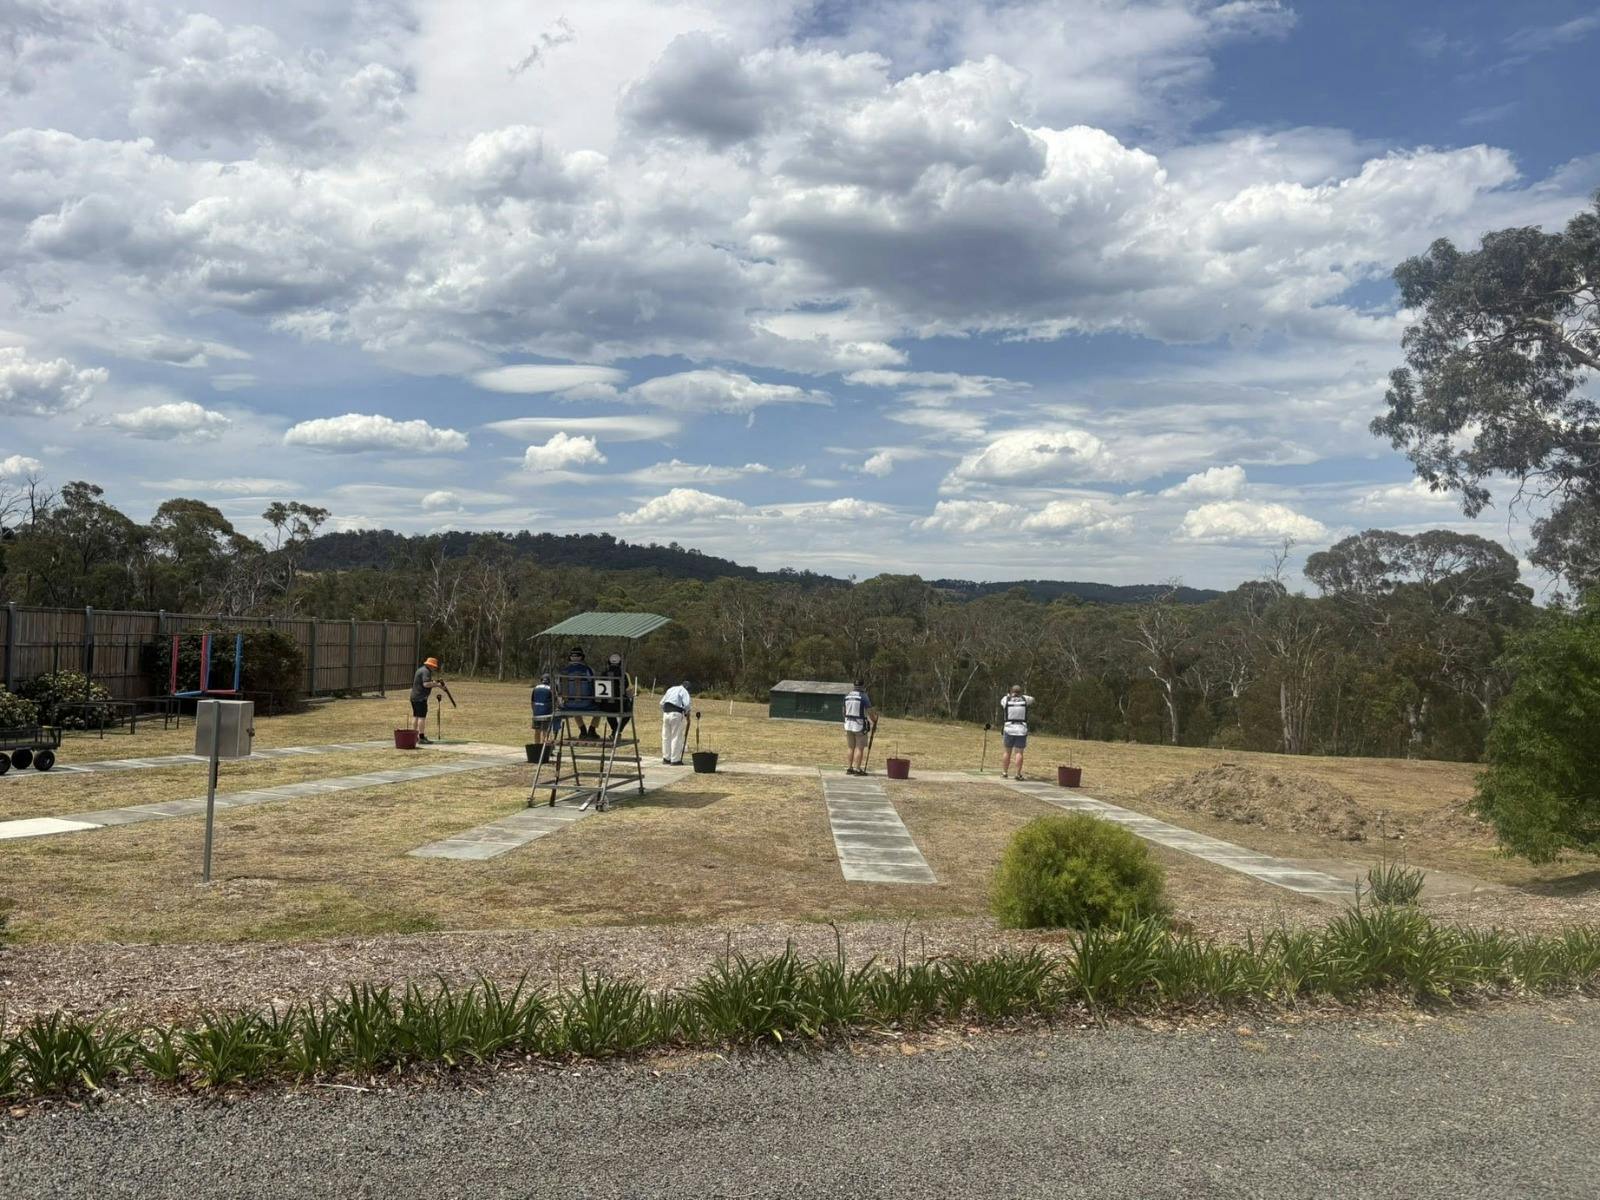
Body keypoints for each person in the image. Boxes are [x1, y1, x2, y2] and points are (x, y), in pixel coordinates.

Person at [559, 646, 600, 739]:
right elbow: (594, 685)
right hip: (587, 703)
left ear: (570, 657)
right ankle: (592, 730)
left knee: (574, 706)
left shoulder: (563, 671)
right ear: (582, 657)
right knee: (601, 707)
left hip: (568, 704)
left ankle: (582, 730)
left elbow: (559, 689)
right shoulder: (588, 670)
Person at [842, 679, 878, 776]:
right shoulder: (863, 696)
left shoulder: (847, 696)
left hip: (848, 724)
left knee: (850, 747)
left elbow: (844, 712)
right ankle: (857, 769)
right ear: (863, 686)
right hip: (859, 725)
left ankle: (850, 768)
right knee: (859, 748)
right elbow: (870, 712)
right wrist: (874, 720)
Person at [999, 683, 1034, 780]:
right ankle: (1018, 774)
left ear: (1011, 692)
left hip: (1008, 728)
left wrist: (1009, 695)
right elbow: (1032, 699)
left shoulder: (1006, 699)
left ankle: (1005, 772)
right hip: (1021, 730)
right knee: (1019, 753)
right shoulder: (1025, 699)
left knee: (1007, 752)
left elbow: (1002, 702)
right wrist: (1021, 696)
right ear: (1020, 692)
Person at [410, 656, 442, 744]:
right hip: (420, 698)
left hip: (414, 697)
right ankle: (421, 737)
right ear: (431, 665)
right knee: (421, 717)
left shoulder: (421, 669)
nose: (434, 669)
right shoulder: (426, 671)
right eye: (434, 667)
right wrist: (437, 684)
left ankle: (414, 736)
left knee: (416, 716)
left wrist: (435, 683)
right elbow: (426, 684)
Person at [601, 652, 633, 741]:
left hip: (605, 705)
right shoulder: (624, 674)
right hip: (620, 705)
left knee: (609, 711)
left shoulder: (603, 674)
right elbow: (629, 692)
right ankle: (617, 731)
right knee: (628, 712)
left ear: (609, 662)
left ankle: (615, 731)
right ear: (620, 663)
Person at [660, 678, 692, 765]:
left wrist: (666, 712)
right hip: (676, 714)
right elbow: (687, 704)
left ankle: (666, 758)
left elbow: (661, 703)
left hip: (666, 713)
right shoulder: (684, 691)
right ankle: (675, 760)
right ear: (687, 688)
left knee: (666, 737)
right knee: (676, 737)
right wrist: (687, 715)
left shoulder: (671, 689)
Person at [531, 673, 556, 746]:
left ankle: (537, 746)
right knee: (545, 731)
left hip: (536, 712)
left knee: (537, 731)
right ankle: (545, 748)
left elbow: (532, 702)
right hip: (547, 713)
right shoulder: (551, 689)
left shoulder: (535, 688)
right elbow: (555, 702)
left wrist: (535, 711)